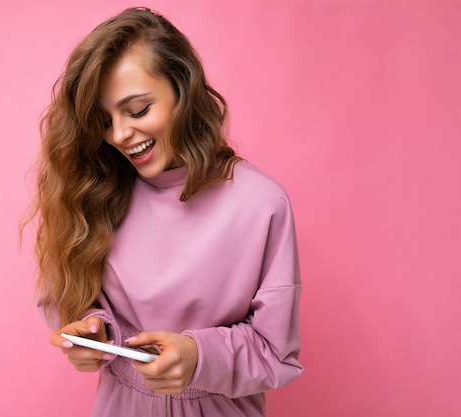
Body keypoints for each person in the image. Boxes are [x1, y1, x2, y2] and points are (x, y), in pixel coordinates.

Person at [26, 7, 303, 417]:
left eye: (137, 110)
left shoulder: (262, 205)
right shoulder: (99, 189)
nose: (119, 135)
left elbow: (275, 352)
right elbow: (67, 296)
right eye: (104, 120)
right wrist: (91, 332)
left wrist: (197, 356)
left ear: (183, 89)